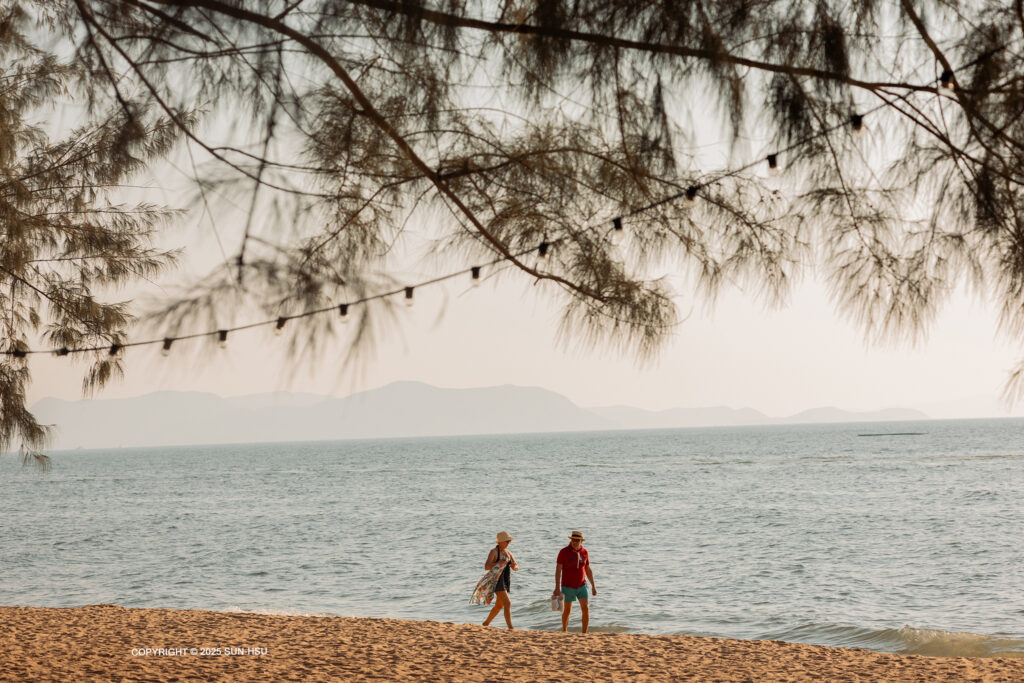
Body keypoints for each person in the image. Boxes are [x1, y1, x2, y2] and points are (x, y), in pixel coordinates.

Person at [552, 530, 597, 633]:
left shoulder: (585, 552)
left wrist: (593, 586)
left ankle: (584, 633)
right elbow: (558, 570)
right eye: (573, 540)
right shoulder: (563, 552)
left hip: (582, 585)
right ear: (571, 540)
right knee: (567, 610)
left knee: (586, 608)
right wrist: (557, 587)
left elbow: (588, 569)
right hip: (567, 586)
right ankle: (564, 631)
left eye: (577, 540)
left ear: (581, 541)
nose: (575, 542)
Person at [478, 531, 519, 629]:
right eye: (507, 541)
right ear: (501, 541)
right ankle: (510, 627)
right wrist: (498, 563)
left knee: (499, 606)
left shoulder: (508, 553)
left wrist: (514, 566)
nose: (509, 543)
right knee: (507, 603)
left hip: (505, 579)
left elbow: (516, 567)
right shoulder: (494, 552)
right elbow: (486, 566)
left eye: (509, 541)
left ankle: (486, 623)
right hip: (496, 580)